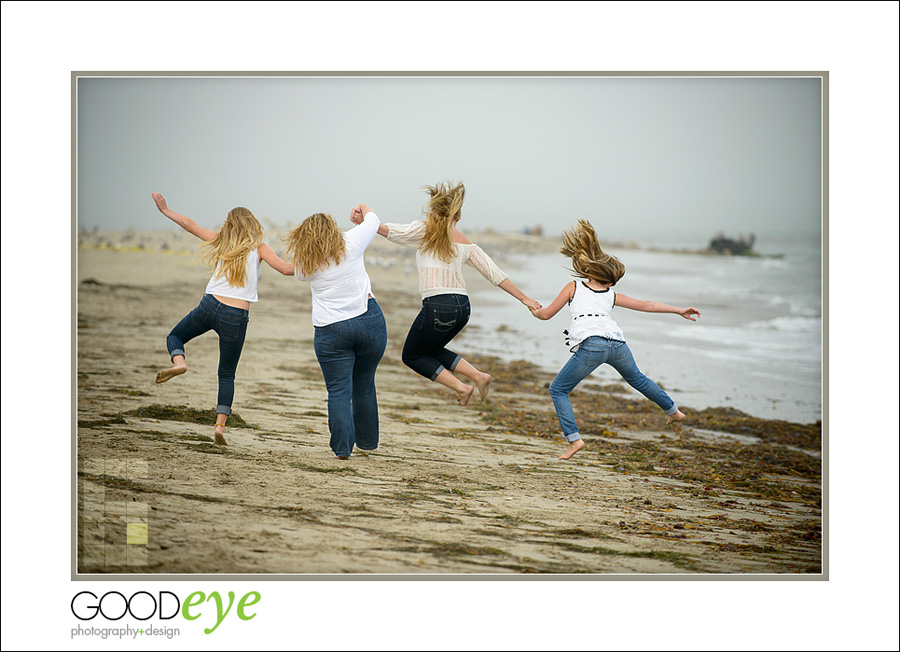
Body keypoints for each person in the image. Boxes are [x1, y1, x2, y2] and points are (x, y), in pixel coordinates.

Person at [530, 219, 700, 460]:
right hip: (618, 344)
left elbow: (546, 315)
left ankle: (574, 440)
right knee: (638, 379)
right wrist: (679, 310)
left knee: (558, 389)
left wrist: (533, 310)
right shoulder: (611, 295)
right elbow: (647, 305)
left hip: (593, 346)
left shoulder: (573, 287)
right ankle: (673, 410)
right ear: (609, 281)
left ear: (590, 271)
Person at [358, 181, 540, 406]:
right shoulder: (466, 243)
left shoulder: (424, 230)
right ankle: (478, 376)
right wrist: (525, 299)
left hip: (438, 306)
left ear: (433, 212)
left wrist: (364, 209)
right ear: (458, 218)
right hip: (463, 308)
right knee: (432, 349)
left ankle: (462, 387)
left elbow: (387, 231)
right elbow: (494, 273)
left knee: (412, 356)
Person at [151, 193, 294, 445]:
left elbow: (190, 225)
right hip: (236, 316)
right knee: (226, 374)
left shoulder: (221, 241)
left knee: (175, 336)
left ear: (229, 225)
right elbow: (285, 269)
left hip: (210, 305)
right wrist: (319, 267)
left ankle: (180, 362)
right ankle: (219, 427)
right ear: (253, 224)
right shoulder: (260, 248)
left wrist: (165, 210)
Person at [284, 207, 387, 460]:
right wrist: (362, 208)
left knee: (339, 390)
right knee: (363, 384)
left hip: (331, 330)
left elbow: (289, 270)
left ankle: (342, 449)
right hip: (368, 323)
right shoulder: (351, 240)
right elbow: (373, 220)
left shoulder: (307, 264)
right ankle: (367, 442)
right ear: (333, 229)